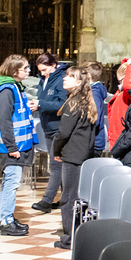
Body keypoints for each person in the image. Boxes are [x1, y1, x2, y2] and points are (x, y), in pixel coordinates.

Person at [52, 66, 97, 250]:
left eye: (70, 77)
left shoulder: (74, 102)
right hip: (83, 154)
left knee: (69, 198)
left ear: (78, 82)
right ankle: (78, 235)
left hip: (72, 155)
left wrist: (56, 151)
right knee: (77, 197)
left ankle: (70, 238)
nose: (64, 78)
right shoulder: (85, 100)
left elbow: (63, 132)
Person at [0, 54, 37, 236]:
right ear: (14, 71)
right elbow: (5, 121)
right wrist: (12, 147)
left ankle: (8, 217)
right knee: (11, 182)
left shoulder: (15, 87)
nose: (28, 71)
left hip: (19, 144)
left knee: (11, 182)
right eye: (25, 68)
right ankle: (6, 222)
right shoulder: (6, 91)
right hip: (11, 147)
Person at [31, 53, 68, 214]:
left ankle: (46, 201)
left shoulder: (61, 79)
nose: (42, 73)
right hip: (48, 126)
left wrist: (41, 104)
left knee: (56, 166)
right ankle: (65, 199)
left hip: (58, 127)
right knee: (57, 165)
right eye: (40, 70)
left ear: (53, 65)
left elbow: (62, 104)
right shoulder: (43, 79)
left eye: (44, 70)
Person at [107, 52, 131, 148]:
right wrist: (127, 63)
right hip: (116, 136)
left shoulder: (128, 92)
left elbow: (127, 87)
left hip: (122, 137)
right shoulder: (120, 91)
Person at [84, 61, 108, 156]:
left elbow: (94, 118)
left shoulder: (94, 93)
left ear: (88, 76)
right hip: (91, 141)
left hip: (93, 142)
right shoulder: (92, 91)